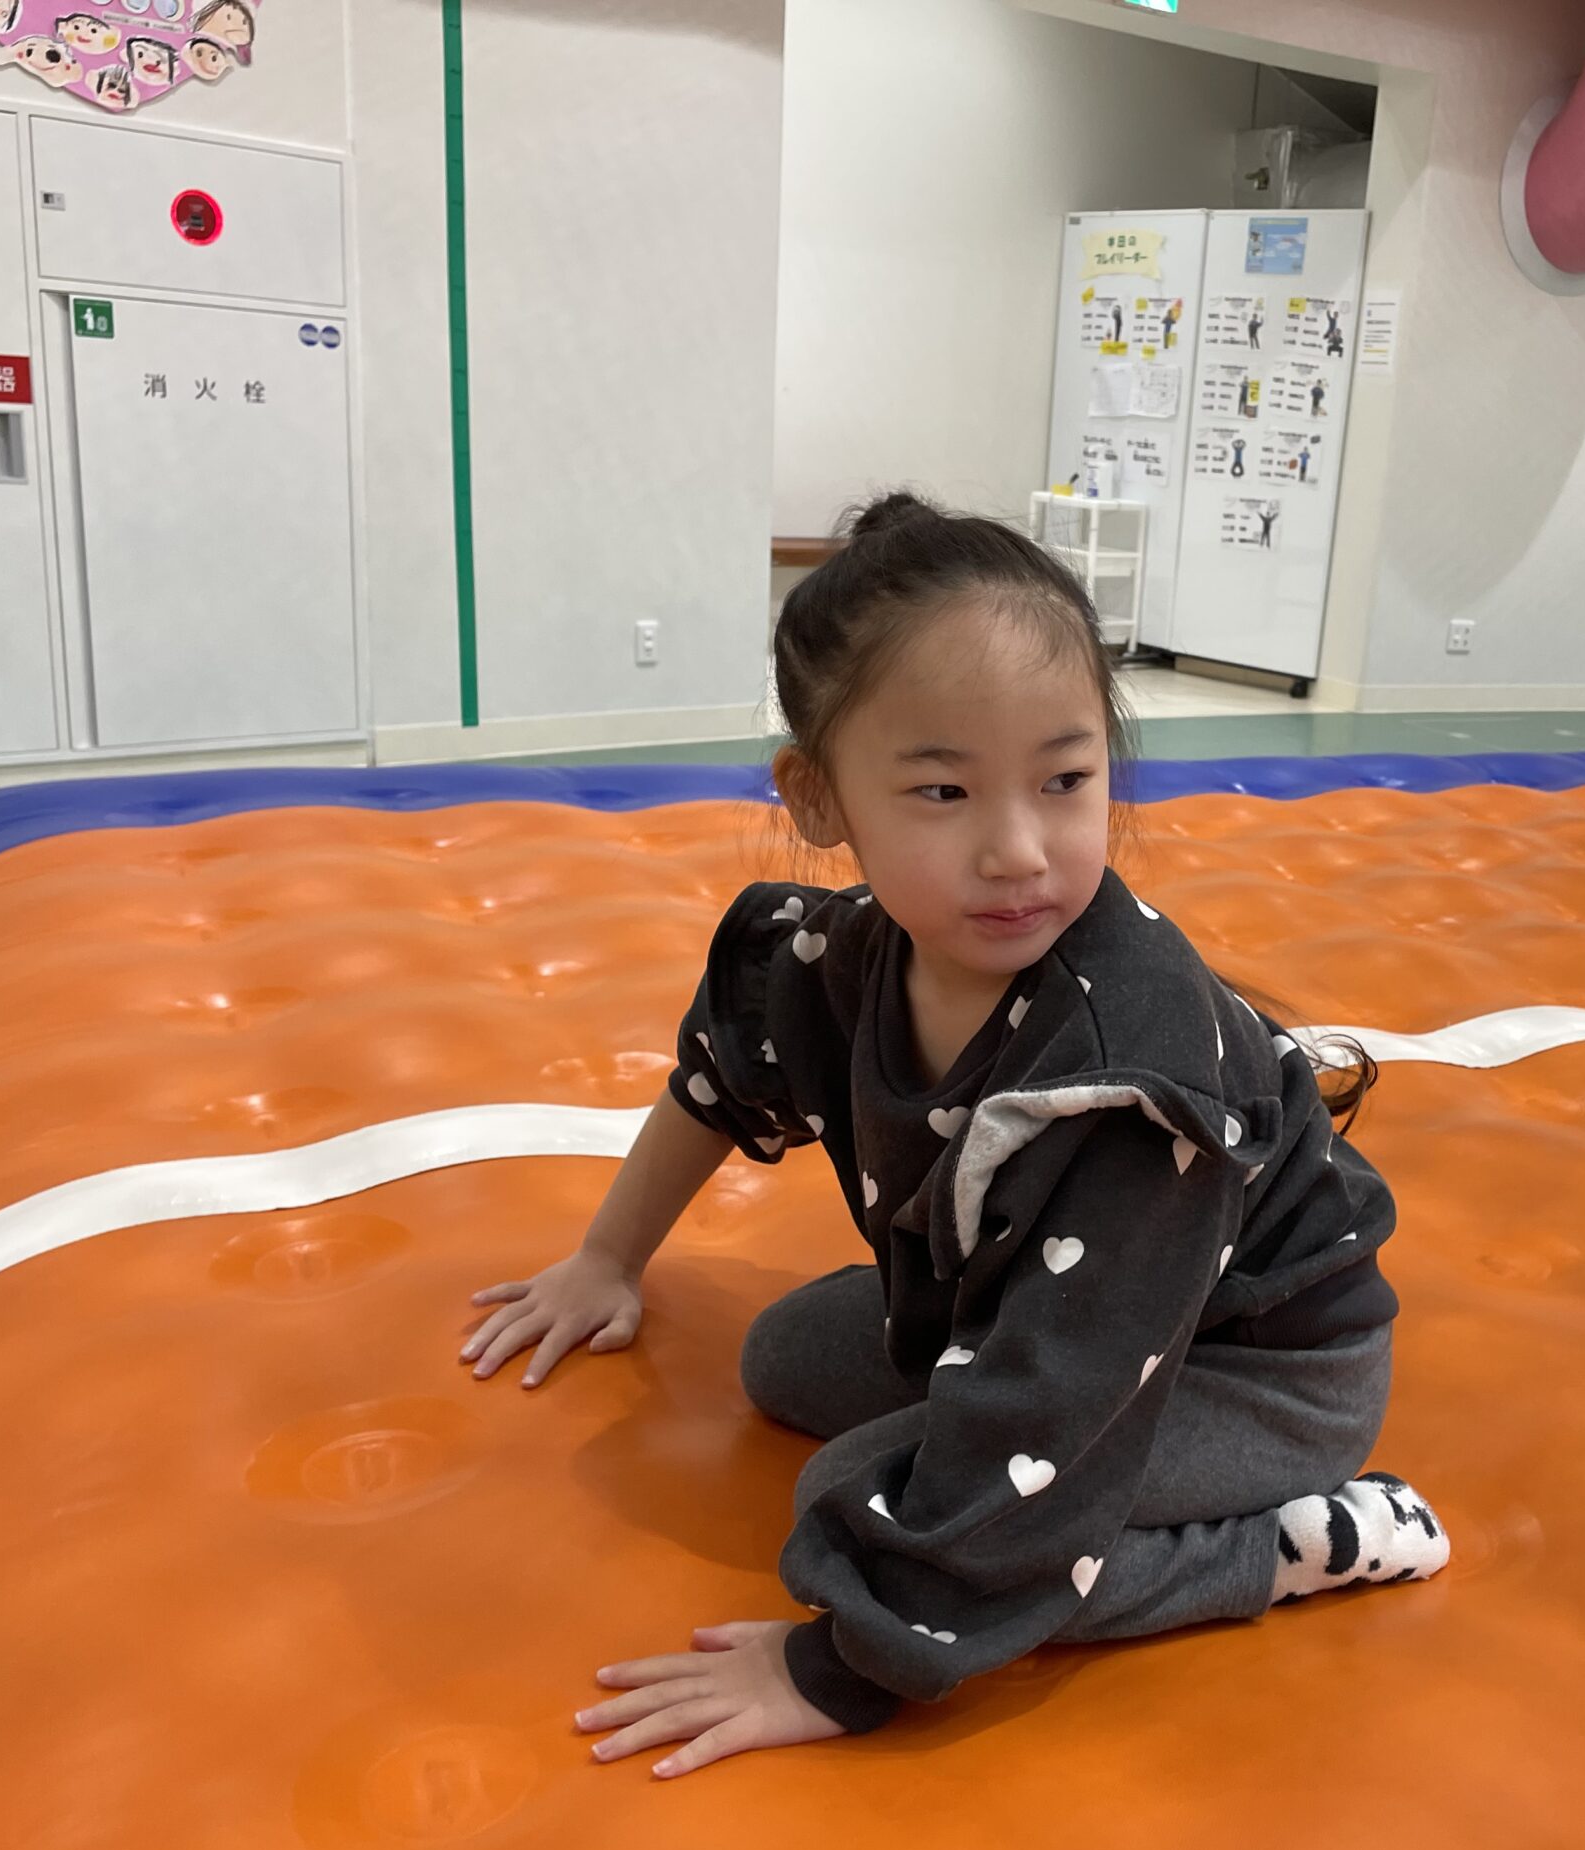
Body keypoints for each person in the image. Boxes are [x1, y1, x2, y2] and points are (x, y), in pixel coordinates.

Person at [461, 493, 1446, 1777]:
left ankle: (1289, 1545)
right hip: (1061, 1318)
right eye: (943, 790)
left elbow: (1052, 1400)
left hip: (1260, 1375)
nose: (1018, 850)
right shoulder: (831, 960)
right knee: (782, 1357)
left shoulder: (1125, 1078)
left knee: (861, 1506)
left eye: (1065, 781)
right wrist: (605, 1260)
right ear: (819, 798)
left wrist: (841, 1665)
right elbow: (719, 1079)